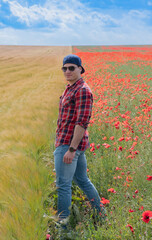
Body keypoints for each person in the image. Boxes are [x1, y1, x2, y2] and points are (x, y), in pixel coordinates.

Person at [54, 54, 104, 222]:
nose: (67, 71)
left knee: (63, 186)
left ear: (80, 69)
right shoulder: (71, 87)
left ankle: (63, 226)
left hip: (69, 145)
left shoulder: (82, 90)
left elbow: (81, 123)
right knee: (82, 180)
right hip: (68, 143)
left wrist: (71, 150)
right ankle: (101, 214)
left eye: (71, 68)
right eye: (65, 68)